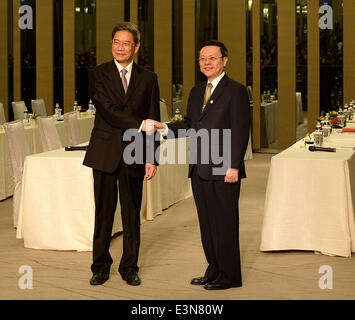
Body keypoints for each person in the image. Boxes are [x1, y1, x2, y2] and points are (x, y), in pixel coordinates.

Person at [155, 40, 250, 290]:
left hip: (224, 168)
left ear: (224, 60)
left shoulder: (236, 91)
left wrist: (234, 166)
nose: (207, 63)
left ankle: (230, 276)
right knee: (207, 224)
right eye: (202, 59)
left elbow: (240, 131)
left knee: (225, 224)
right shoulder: (196, 92)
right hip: (199, 167)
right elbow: (190, 125)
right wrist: (165, 127)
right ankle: (214, 270)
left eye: (212, 58)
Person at [83, 22, 160, 286]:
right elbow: (106, 109)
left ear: (136, 47)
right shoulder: (98, 73)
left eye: (126, 43)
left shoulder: (149, 78)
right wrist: (139, 124)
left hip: (135, 153)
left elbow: (153, 117)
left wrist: (152, 156)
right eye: (116, 41)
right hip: (104, 152)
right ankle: (100, 266)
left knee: (131, 213)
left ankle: (130, 266)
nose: (120, 47)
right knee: (104, 214)